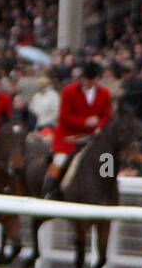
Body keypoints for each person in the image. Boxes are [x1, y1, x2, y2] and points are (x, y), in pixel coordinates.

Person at [43, 60, 112, 198]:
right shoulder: (68, 91)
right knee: (60, 161)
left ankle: (108, 191)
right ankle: (49, 190)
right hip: (69, 138)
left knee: (108, 159)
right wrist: (86, 122)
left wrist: (99, 126)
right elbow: (64, 117)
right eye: (83, 79)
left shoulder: (104, 93)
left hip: (93, 138)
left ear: (97, 79)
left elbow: (107, 114)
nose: (85, 82)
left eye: (89, 80)